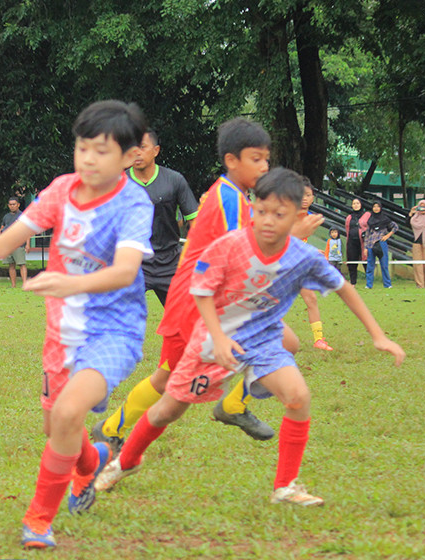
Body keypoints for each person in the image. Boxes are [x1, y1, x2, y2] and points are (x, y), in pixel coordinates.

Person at [95, 168, 405, 505]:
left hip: (263, 340)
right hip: (216, 339)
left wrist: (378, 336)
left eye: (279, 214)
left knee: (298, 397)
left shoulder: (302, 256)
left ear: (298, 216)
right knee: (167, 411)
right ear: (252, 207)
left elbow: (344, 288)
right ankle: (124, 462)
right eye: (262, 211)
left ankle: (285, 486)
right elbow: (201, 292)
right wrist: (219, 337)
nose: (269, 221)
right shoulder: (230, 246)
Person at [0, 100, 154, 549]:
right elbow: (4, 243)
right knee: (58, 431)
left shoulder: (133, 203)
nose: (88, 159)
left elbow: (126, 271)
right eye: (82, 148)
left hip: (113, 333)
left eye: (102, 151)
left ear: (130, 156)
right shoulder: (60, 190)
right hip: (61, 336)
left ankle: (37, 522)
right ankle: (92, 463)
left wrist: (70, 284)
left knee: (70, 415)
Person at [91, 118, 284, 454]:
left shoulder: (231, 196)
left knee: (167, 376)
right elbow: (239, 255)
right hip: (193, 300)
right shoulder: (227, 199)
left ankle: (112, 427)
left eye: (266, 159)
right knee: (168, 378)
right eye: (257, 159)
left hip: (191, 290)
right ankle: (115, 428)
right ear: (231, 160)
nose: (265, 166)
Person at [128, 129, 200, 305]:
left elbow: (196, 222)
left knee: (183, 323)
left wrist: (194, 256)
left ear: (156, 150)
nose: (137, 152)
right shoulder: (118, 183)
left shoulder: (174, 181)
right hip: (133, 263)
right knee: (118, 322)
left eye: (142, 147)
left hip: (170, 262)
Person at [297, 177, 332, 351]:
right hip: (278, 265)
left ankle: (319, 339)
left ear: (313, 198)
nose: (304, 198)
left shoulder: (311, 218)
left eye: (308, 195)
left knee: (311, 298)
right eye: (301, 194)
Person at [365, 202, 398, 289]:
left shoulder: (385, 219)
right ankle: (369, 285)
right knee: (370, 265)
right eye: (374, 206)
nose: (376, 208)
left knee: (384, 265)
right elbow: (367, 234)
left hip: (381, 243)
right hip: (371, 244)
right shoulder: (370, 220)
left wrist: (387, 235)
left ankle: (387, 284)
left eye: (378, 206)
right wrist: (365, 247)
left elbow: (395, 227)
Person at [0, 197, 29, 287]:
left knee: (21, 264)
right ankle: (13, 285)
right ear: (8, 206)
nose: (12, 206)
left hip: (19, 243)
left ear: (18, 205)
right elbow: (2, 229)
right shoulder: (6, 217)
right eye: (10, 205)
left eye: (14, 204)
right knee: (11, 265)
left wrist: (27, 244)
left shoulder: (23, 216)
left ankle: (24, 284)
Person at [343, 198, 369, 286]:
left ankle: (369, 281)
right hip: (351, 242)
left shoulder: (367, 215)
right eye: (354, 203)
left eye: (357, 203)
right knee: (352, 261)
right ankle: (353, 282)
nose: (356, 205)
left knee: (366, 260)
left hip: (363, 242)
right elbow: (347, 229)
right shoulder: (349, 217)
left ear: (361, 204)